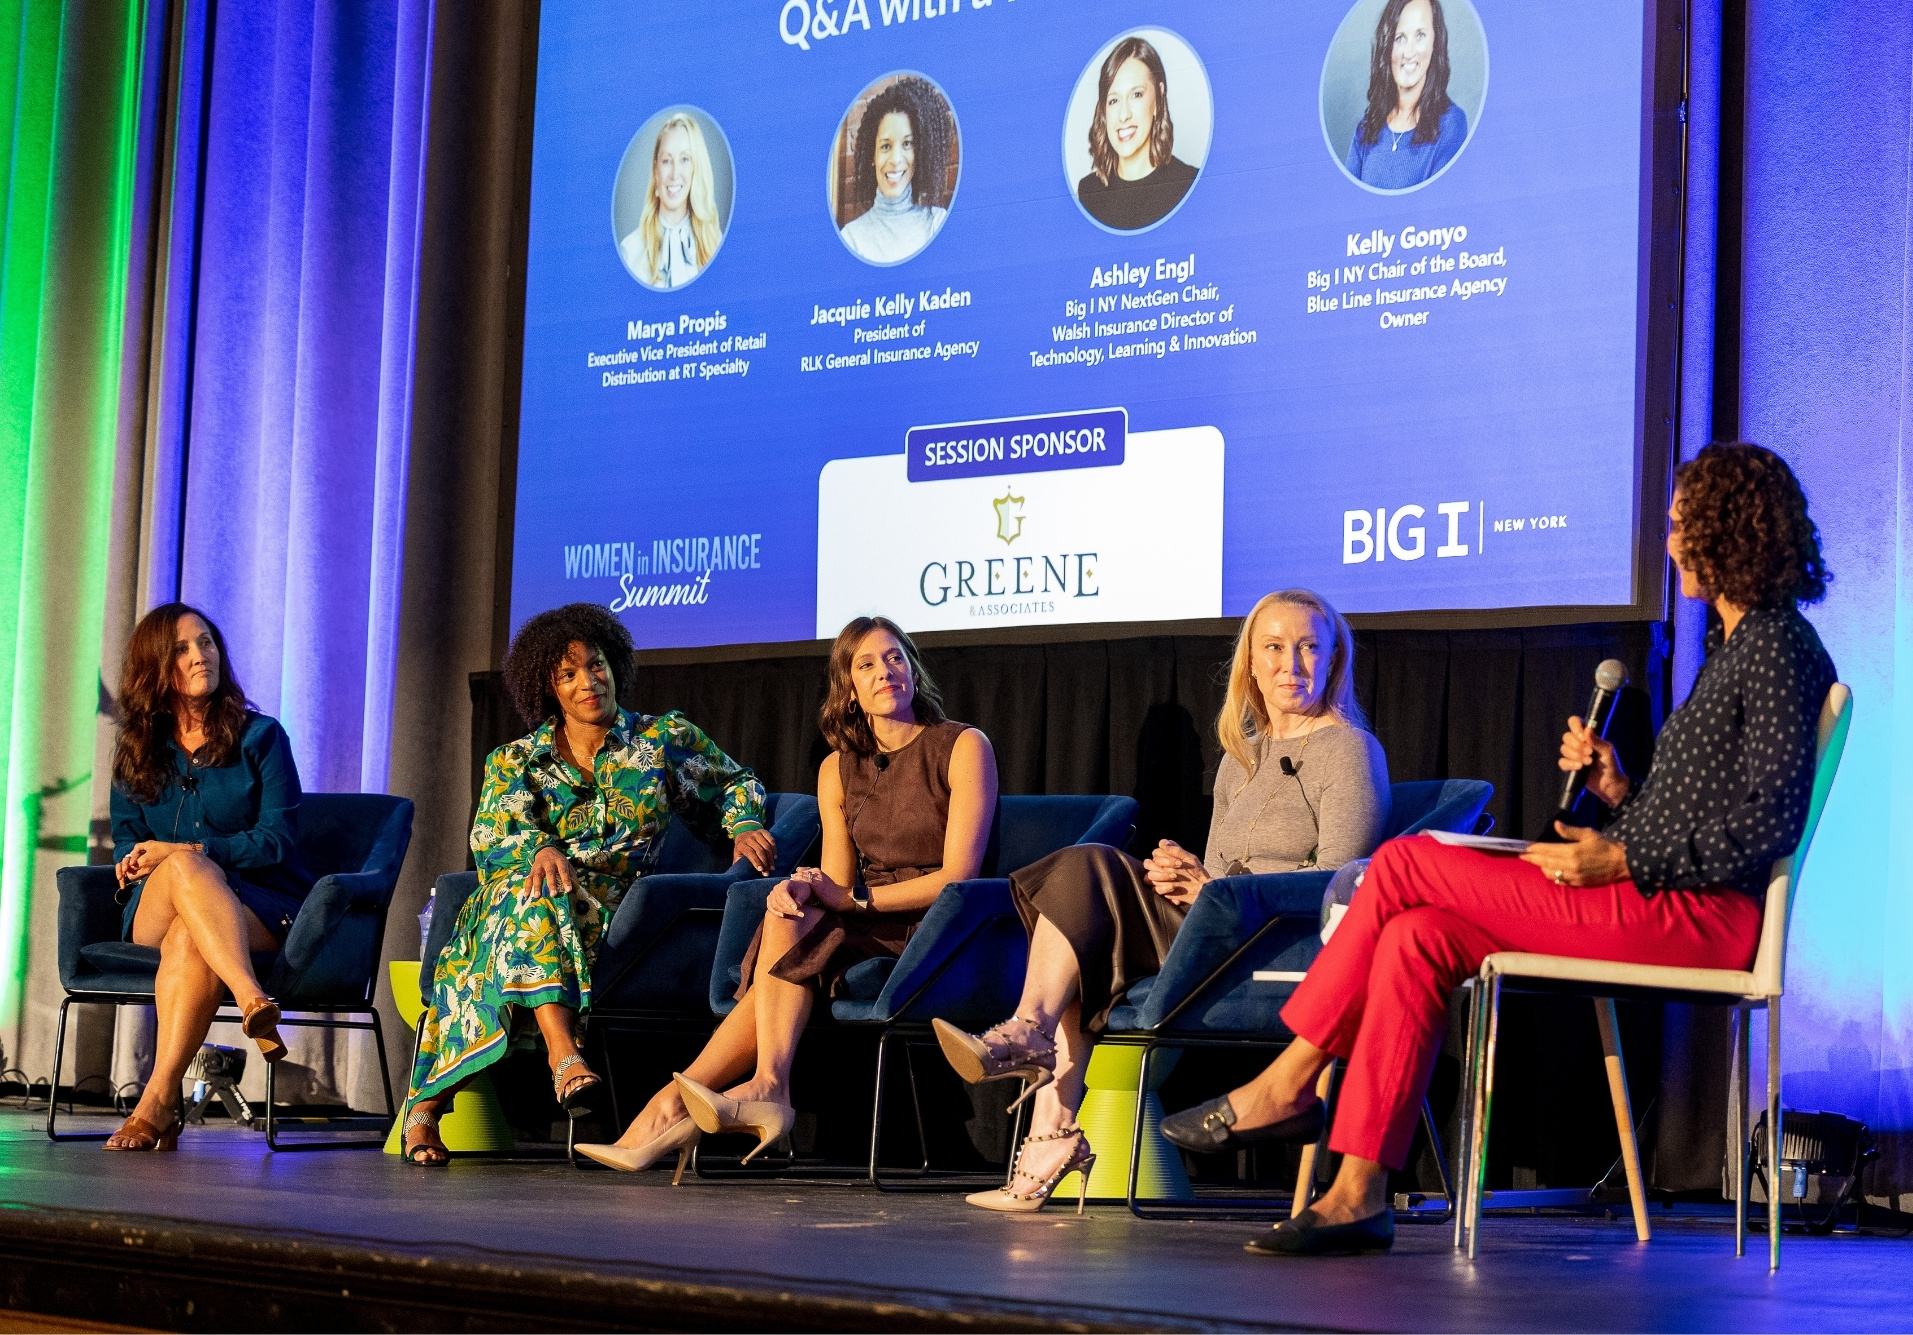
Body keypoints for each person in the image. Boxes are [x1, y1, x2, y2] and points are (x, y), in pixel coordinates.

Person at [1176, 443, 1836, 1256]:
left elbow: (1771, 820)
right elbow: (1708, 808)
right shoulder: (1733, 650)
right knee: (1419, 935)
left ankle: (1288, 1078)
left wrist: (1621, 858)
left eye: (1677, 524)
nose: (1666, 543)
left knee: (1405, 863)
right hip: (1658, 894)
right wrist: (1618, 792)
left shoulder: (1777, 647)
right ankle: (1355, 1194)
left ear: (1724, 530)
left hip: (1698, 916)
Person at [934, 590, 1389, 1212]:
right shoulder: (1241, 759)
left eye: (1310, 647)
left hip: (1275, 942)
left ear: (1334, 659)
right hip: (1211, 927)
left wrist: (1213, 891)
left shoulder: (1350, 750)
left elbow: (1342, 884)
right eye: (1275, 648)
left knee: (1088, 871)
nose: (1292, 664)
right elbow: (1223, 870)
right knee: (1083, 915)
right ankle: (1046, 1115)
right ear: (1250, 664)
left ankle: (1034, 1062)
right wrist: (1188, 876)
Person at [580, 616, 997, 1175]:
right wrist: (802, 886)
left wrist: (852, 900)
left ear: (914, 670)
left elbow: (958, 876)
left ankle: (675, 1106)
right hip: (862, 918)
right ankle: (761, 1088)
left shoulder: (963, 745)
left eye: (895, 658)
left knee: (790, 951)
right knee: (790, 910)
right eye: (867, 665)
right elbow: (837, 878)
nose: (885, 672)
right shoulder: (836, 769)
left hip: (937, 923)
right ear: (849, 688)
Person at [401, 603, 772, 1165]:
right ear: (547, 688)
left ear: (614, 665)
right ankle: (564, 1057)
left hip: (621, 909)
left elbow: (735, 784)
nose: (588, 683)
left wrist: (741, 823)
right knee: (532, 899)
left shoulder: (660, 739)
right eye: (568, 674)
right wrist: (541, 849)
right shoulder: (515, 759)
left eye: (596, 666)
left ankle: (427, 1109)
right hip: (526, 891)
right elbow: (492, 833)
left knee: (511, 928)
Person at [105, 603, 309, 1151]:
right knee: (182, 871)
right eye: (183, 649)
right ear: (155, 668)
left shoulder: (261, 738)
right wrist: (134, 859)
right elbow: (126, 837)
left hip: (258, 904)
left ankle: (157, 1104)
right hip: (154, 903)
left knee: (189, 932)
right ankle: (250, 997)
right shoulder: (136, 751)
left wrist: (188, 849)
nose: (201, 656)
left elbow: (277, 841)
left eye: (208, 643)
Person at [1075, 36, 1200, 231]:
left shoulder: (1190, 183)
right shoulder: (1086, 193)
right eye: (1114, 100)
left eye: (1137, 95)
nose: (1124, 115)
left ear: (1158, 98)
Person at [1343, 0, 1468, 190]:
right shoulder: (1366, 128)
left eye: (1420, 35)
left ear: (1435, 43)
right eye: (1399, 38)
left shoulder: (1452, 124)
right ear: (1387, 46)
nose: (1409, 53)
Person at [838, 78, 954, 265]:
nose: (895, 160)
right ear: (872, 156)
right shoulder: (850, 238)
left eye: (907, 144)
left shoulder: (937, 224)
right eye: (885, 146)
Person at [620, 112, 724, 289]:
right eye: (667, 161)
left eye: (685, 159)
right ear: (655, 169)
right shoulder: (629, 251)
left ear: (696, 168)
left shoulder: (715, 244)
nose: (675, 174)